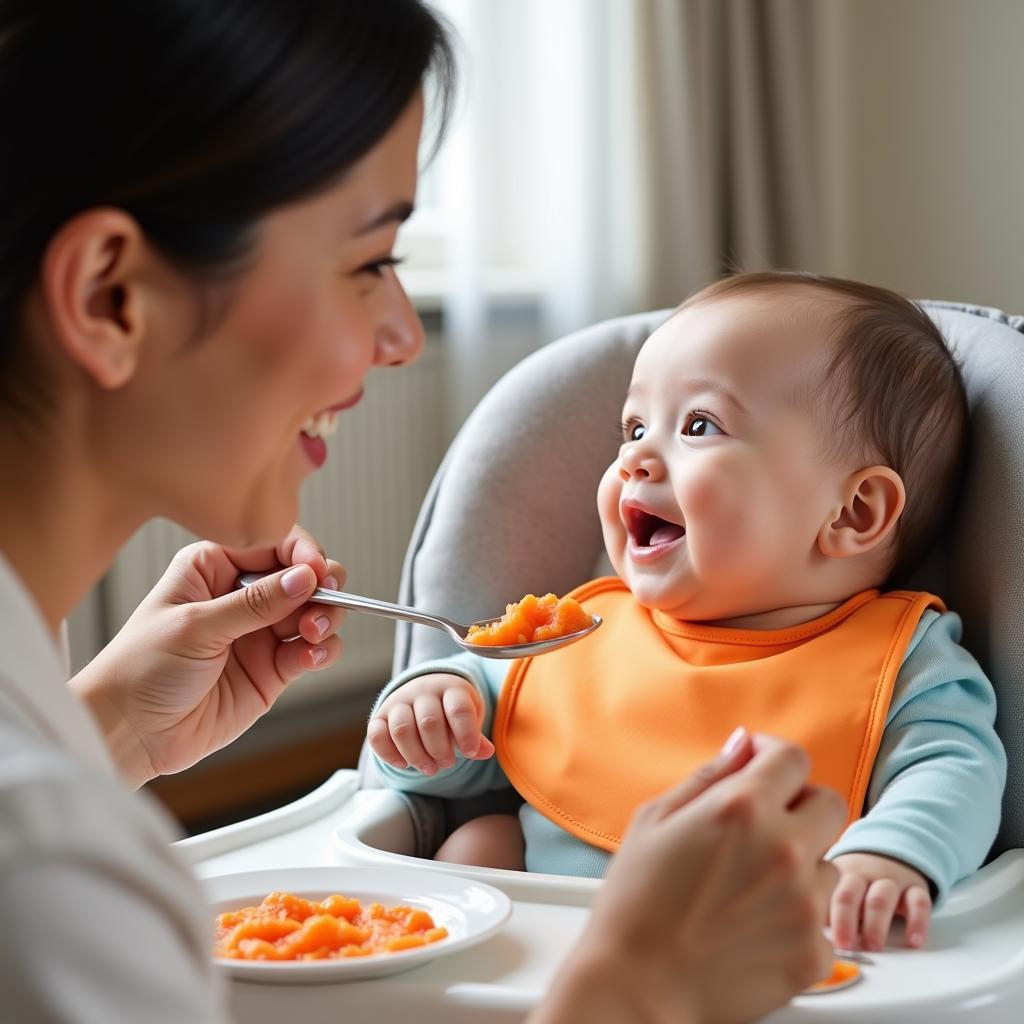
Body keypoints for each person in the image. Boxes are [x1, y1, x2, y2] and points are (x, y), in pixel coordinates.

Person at [0, 2, 842, 1021]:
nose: (400, 334)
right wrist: (637, 995)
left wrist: (112, 728)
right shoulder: (49, 871)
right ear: (110, 298)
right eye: (367, 263)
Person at [367, 271, 1007, 953]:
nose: (636, 457)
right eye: (635, 426)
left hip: (741, 956)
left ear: (854, 512)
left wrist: (893, 856)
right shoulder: (574, 636)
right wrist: (430, 712)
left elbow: (956, 772)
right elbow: (460, 759)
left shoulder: (899, 664)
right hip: (538, 956)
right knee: (480, 841)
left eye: (699, 425)